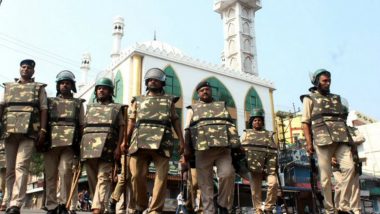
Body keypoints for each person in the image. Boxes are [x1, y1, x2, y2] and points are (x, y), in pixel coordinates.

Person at [121, 67, 185, 214]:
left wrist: (182, 141)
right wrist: (125, 140)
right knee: (136, 176)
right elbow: (131, 121)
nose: (152, 82)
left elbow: (175, 121)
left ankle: (155, 210)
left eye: (156, 80)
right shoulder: (137, 100)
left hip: (163, 142)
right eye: (150, 80)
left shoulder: (169, 101)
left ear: (162, 83)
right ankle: (140, 206)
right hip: (138, 141)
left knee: (161, 178)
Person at [301, 69, 356, 214]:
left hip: (341, 139)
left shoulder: (337, 98)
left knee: (350, 168)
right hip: (322, 140)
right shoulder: (309, 98)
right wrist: (308, 143)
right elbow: (305, 122)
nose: (328, 83)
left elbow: (343, 121)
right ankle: (330, 209)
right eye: (324, 81)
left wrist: (351, 144)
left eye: (329, 80)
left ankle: (343, 206)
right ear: (317, 82)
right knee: (325, 179)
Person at [0, 59, 48, 214]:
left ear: (33, 71)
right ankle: (8, 202)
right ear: (19, 69)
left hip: (29, 133)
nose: (26, 69)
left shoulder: (38, 88)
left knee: (21, 166)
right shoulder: (8, 87)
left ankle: (16, 203)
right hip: (9, 131)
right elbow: (1, 106)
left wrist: (43, 130)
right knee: (10, 170)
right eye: (23, 67)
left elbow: (43, 109)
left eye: (29, 68)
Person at [184, 81, 240, 214]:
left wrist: (237, 144)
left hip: (223, 149)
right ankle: (209, 211)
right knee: (205, 184)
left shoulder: (221, 106)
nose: (205, 92)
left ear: (211, 91)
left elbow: (230, 125)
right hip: (202, 150)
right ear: (198, 93)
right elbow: (187, 130)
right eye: (202, 90)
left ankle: (222, 204)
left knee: (227, 174)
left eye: (207, 89)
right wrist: (186, 149)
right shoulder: (193, 109)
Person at [80, 77, 125, 214]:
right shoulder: (90, 107)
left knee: (103, 177)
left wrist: (119, 147)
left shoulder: (116, 108)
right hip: (89, 148)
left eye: (104, 88)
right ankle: (100, 206)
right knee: (93, 179)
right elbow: (84, 127)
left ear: (111, 91)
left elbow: (122, 127)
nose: (101, 90)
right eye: (99, 88)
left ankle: (97, 209)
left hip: (108, 147)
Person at [43, 70, 85, 214]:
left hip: (70, 144)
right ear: (58, 86)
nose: (64, 85)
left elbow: (82, 125)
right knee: (50, 175)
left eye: (67, 83)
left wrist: (81, 146)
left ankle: (63, 204)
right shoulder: (50, 102)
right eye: (62, 83)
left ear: (72, 85)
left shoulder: (78, 103)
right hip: (51, 143)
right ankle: (51, 205)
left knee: (65, 172)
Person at [240, 108, 278, 214]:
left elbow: (274, 152)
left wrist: (273, 166)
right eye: (255, 120)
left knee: (273, 183)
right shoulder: (246, 133)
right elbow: (240, 151)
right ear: (251, 122)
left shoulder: (269, 135)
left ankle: (268, 207)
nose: (257, 122)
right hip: (252, 168)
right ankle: (258, 209)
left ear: (262, 122)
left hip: (268, 168)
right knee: (255, 190)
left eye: (259, 120)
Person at [332, 101, 364, 214]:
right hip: (337, 165)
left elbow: (361, 138)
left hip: (354, 162)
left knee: (355, 188)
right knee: (340, 185)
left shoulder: (352, 129)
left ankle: (356, 210)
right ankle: (339, 208)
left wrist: (347, 141)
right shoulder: (333, 130)